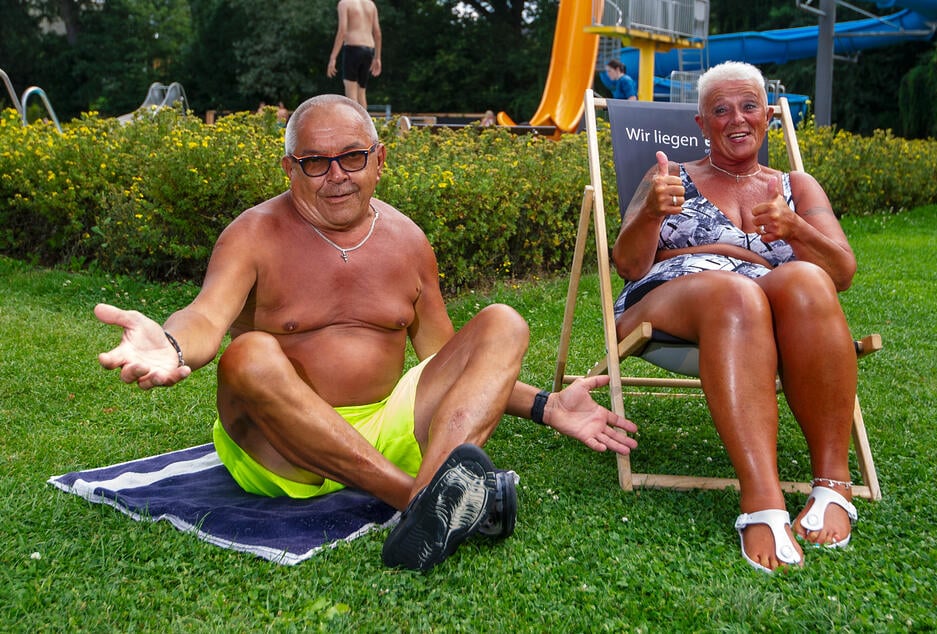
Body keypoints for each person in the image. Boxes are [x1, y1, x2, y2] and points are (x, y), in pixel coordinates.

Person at [95, 94, 638, 572]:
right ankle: (423, 502)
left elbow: (447, 362)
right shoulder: (254, 234)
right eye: (315, 163)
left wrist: (547, 406)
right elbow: (207, 317)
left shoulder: (407, 241)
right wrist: (168, 343)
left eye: (352, 157)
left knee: (504, 323)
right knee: (250, 354)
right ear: (290, 168)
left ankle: (429, 498)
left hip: (389, 429)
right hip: (282, 452)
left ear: (379, 159)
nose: (337, 175)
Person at [611, 61, 859, 572]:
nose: (736, 119)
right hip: (672, 293)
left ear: (767, 115)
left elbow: (841, 273)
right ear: (701, 124)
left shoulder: (796, 185)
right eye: (720, 110)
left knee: (807, 279)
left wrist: (796, 231)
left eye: (748, 106)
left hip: (764, 302)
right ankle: (762, 496)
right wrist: (653, 212)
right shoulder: (669, 178)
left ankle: (834, 481)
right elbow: (629, 265)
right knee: (735, 294)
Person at [327, 0, 382, 109]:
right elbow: (377, 33)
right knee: (361, 93)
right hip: (369, 49)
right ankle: (365, 124)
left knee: (351, 93)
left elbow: (342, 31)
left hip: (353, 48)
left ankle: (355, 125)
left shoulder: (344, 3)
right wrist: (377, 57)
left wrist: (333, 57)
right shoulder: (371, 4)